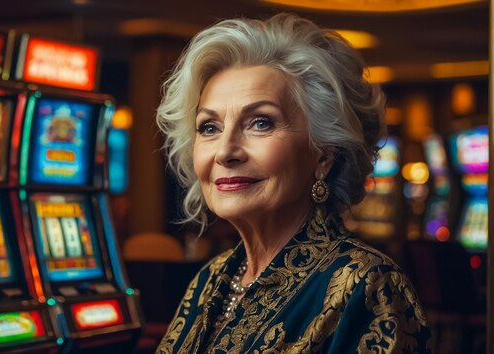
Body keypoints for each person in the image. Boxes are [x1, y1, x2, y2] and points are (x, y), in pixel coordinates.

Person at [155, 13, 431, 353]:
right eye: (209, 127)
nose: (225, 151)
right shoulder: (211, 278)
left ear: (323, 156)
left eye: (260, 123)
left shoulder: (366, 284)